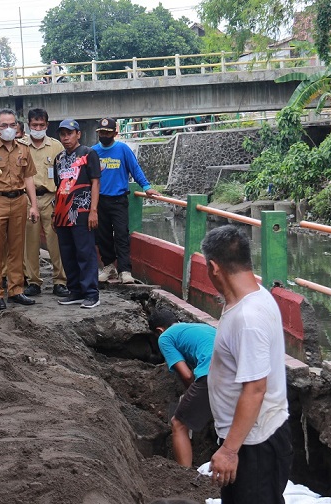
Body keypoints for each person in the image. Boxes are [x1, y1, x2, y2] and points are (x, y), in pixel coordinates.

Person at [202, 225, 292, 502]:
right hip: (253, 439)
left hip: (253, 447)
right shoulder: (255, 297)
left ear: (214, 267)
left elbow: (255, 389)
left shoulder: (247, 319)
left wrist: (229, 451)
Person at [0, 108, 40, 310]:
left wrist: (34, 205)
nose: (9, 129)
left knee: (17, 248)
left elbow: (28, 178)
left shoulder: (24, 149)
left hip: (19, 200)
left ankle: (16, 290)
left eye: (13, 125)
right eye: (4, 125)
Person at [93, 117, 160, 285]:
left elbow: (134, 168)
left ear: (115, 133)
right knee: (103, 237)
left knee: (122, 235)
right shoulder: (93, 152)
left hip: (118, 200)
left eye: (108, 133)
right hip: (99, 200)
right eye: (101, 133)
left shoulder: (123, 149)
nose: (104, 135)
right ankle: (109, 267)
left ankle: (125, 270)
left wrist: (146, 187)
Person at [149, 308, 215, 467]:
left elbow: (186, 375)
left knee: (178, 423)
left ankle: (183, 476)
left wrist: (191, 393)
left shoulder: (165, 337)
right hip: (239, 374)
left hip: (213, 373)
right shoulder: (199, 327)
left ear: (159, 330)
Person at [19, 108, 68, 298]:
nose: (38, 128)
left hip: (51, 198)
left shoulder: (56, 147)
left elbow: (65, 174)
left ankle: (60, 281)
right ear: (28, 126)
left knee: (55, 241)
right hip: (27, 199)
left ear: (47, 125)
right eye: (34, 125)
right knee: (29, 243)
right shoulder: (20, 146)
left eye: (41, 125)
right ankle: (33, 281)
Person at [53, 118, 101, 309]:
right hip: (62, 213)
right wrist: (53, 213)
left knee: (85, 252)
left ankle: (91, 293)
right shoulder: (59, 158)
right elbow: (58, 186)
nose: (66, 138)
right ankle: (75, 290)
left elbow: (95, 182)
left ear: (78, 134)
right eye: (63, 134)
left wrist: (93, 211)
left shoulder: (89, 154)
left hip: (82, 211)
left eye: (69, 134)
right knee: (68, 253)